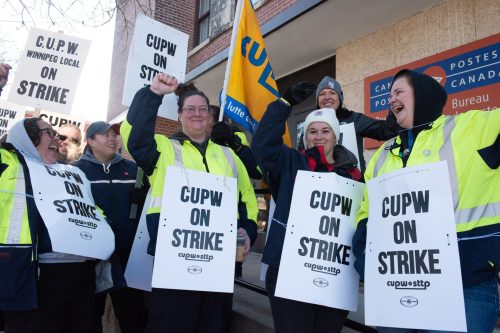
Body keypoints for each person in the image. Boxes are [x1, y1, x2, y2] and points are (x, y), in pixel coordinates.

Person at [352, 69, 500, 332]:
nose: (391, 100)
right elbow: (366, 211)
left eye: (398, 92)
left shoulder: (471, 127)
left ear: (422, 93)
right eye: (389, 95)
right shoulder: (382, 155)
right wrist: (364, 255)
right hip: (396, 288)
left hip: (466, 286)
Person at [121, 72, 258, 333]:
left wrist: (248, 230)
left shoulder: (228, 155)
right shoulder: (163, 149)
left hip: (218, 264)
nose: (197, 114)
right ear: (180, 115)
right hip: (174, 262)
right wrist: (153, 94)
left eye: (203, 109)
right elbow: (136, 137)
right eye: (190, 109)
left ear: (210, 115)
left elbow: (246, 200)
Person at [251, 96, 362, 333]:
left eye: (325, 131)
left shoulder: (353, 175)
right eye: (312, 131)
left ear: (335, 136)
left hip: (334, 273)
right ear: (305, 137)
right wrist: (283, 104)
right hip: (288, 269)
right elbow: (262, 144)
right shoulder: (290, 162)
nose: (319, 136)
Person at [0, 118, 99, 333]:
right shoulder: (8, 163)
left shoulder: (71, 173)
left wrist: (102, 231)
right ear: (26, 138)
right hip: (28, 269)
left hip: (79, 270)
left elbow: (92, 211)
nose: (56, 138)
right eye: (49, 132)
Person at [74, 121, 148, 333]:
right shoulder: (76, 172)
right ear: (90, 141)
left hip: (126, 257)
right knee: (89, 315)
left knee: (133, 315)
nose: (112, 139)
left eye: (114, 135)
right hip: (91, 258)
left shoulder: (134, 171)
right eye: (105, 135)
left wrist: (142, 197)